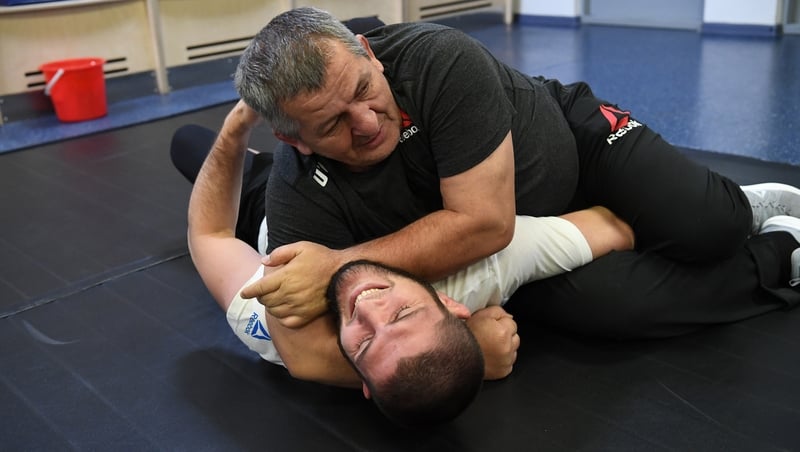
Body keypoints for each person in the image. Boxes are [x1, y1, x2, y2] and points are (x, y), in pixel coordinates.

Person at [179, 7, 800, 424]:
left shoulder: (437, 60)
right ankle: (780, 258)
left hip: (571, 146)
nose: (367, 123)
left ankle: (742, 206)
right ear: (296, 143)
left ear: (370, 53)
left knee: (709, 225)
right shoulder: (298, 191)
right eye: (333, 125)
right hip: (486, 236)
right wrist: (459, 350)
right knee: (620, 310)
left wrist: (337, 265)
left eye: (365, 91)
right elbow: (307, 354)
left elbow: (484, 223)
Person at [183, 100, 637, 424]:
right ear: (451, 304)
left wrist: (237, 125)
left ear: (359, 380)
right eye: (401, 313)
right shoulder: (486, 267)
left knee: (185, 144)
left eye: (361, 345)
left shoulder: (275, 320)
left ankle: (256, 156)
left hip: (268, 199)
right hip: (370, 167)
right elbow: (617, 225)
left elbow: (211, 233)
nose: (367, 307)